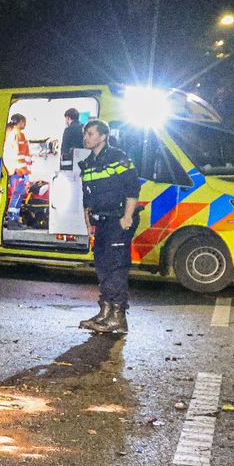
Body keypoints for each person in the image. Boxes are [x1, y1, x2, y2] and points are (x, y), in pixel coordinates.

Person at [78, 118, 140, 334]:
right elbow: (87, 197)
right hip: (101, 221)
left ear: (103, 136)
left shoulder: (117, 157)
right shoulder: (88, 163)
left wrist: (127, 216)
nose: (86, 138)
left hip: (118, 219)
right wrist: (88, 224)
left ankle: (118, 316)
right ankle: (105, 312)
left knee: (116, 267)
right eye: (85, 134)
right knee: (102, 266)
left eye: (91, 134)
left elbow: (133, 187)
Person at [2, 113, 31, 228]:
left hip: (15, 171)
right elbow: (18, 155)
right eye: (24, 121)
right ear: (20, 122)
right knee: (17, 196)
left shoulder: (11, 134)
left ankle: (14, 220)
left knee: (16, 195)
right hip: (19, 171)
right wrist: (23, 171)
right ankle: (13, 221)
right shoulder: (18, 135)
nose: (25, 124)